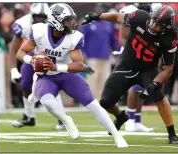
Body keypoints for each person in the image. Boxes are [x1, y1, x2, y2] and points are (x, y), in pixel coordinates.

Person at [16, 3, 128, 148]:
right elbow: (20, 53)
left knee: (93, 104)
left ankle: (117, 135)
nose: (72, 23)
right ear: (55, 21)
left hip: (66, 75)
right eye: (67, 20)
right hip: (47, 77)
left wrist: (56, 66)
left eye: (71, 19)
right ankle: (66, 120)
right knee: (48, 102)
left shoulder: (74, 37)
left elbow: (79, 65)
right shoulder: (39, 31)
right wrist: (31, 60)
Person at [82, 5, 178, 144]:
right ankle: (121, 117)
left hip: (148, 69)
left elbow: (167, 69)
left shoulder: (169, 38)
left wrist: (153, 84)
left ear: (166, 27)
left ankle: (172, 134)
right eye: (152, 21)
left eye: (158, 25)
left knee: (159, 97)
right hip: (127, 65)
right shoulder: (140, 17)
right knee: (105, 102)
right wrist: (97, 16)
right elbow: (117, 17)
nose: (153, 26)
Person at [10, 3, 65, 130]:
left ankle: (62, 118)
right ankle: (29, 116)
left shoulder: (54, 23)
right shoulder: (23, 24)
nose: (39, 19)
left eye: (42, 17)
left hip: (49, 52)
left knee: (51, 84)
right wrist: (13, 69)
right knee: (25, 84)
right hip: (32, 53)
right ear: (31, 14)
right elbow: (14, 48)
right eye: (37, 16)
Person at [118, 3, 158, 132]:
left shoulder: (155, 12)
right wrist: (134, 52)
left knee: (142, 88)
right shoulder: (131, 12)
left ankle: (137, 120)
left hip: (145, 55)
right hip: (131, 55)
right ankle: (130, 120)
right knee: (135, 87)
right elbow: (122, 37)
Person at [79, 4, 120, 101]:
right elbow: (81, 39)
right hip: (91, 56)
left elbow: (113, 40)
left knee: (104, 79)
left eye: (101, 10)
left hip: (105, 56)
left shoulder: (108, 24)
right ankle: (90, 100)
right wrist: (82, 52)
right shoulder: (88, 23)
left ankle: (101, 100)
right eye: (97, 9)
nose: (98, 11)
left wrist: (117, 52)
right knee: (93, 78)